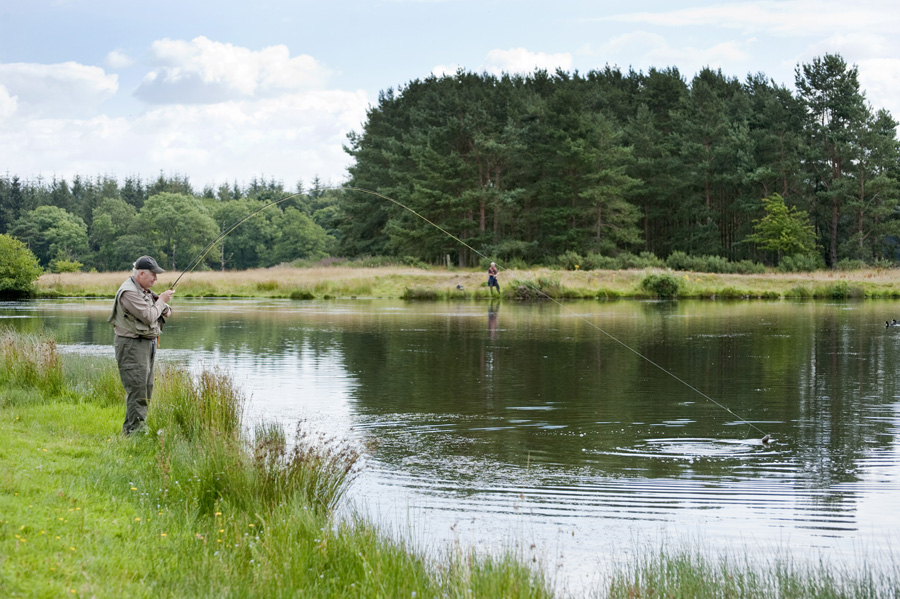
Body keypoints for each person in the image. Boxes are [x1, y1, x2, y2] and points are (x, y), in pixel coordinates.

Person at [108, 255, 174, 435]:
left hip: (146, 344)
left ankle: (132, 430)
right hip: (132, 346)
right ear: (142, 273)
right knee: (137, 390)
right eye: (153, 274)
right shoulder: (129, 292)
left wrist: (162, 304)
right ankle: (135, 432)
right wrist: (162, 301)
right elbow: (149, 316)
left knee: (146, 389)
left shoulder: (143, 290)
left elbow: (166, 312)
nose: (156, 279)